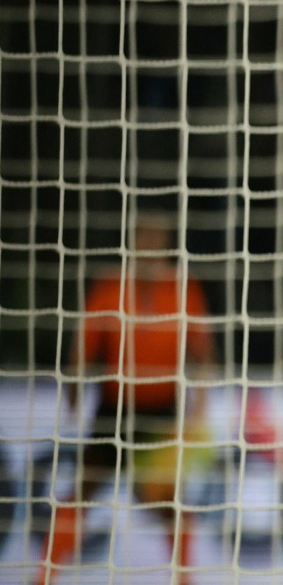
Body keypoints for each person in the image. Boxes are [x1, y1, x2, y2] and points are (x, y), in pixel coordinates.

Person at [37, 212, 213, 585]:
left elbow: (202, 350)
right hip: (114, 409)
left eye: (155, 238)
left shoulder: (183, 288)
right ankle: (43, 577)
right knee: (81, 493)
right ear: (131, 241)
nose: (148, 246)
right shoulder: (111, 286)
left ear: (167, 244)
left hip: (162, 412)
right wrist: (73, 391)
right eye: (142, 237)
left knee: (168, 503)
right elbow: (83, 345)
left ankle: (185, 579)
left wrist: (201, 404)